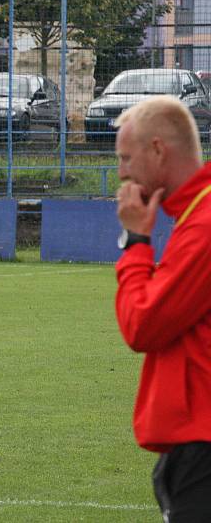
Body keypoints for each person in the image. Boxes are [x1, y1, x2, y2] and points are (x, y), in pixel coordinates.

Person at [114, 95, 211, 521]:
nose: (121, 172)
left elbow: (143, 326)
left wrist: (136, 241)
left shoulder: (205, 223)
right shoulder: (195, 215)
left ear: (157, 150)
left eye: (126, 158)